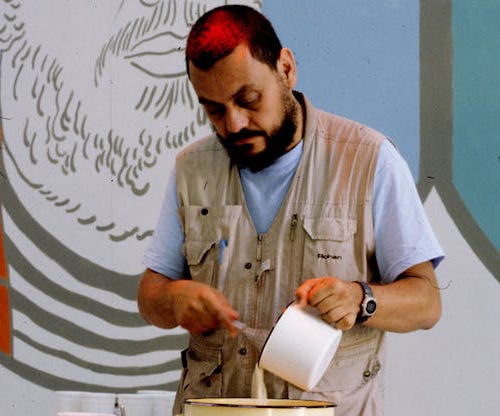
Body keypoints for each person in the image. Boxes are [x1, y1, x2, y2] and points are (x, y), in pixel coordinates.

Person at [138, 5, 444, 416]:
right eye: (213, 109)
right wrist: (173, 299)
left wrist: (361, 299)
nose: (234, 124)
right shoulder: (191, 168)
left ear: (286, 68)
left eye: (248, 99)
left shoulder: (370, 160)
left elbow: (427, 302)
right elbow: (150, 295)